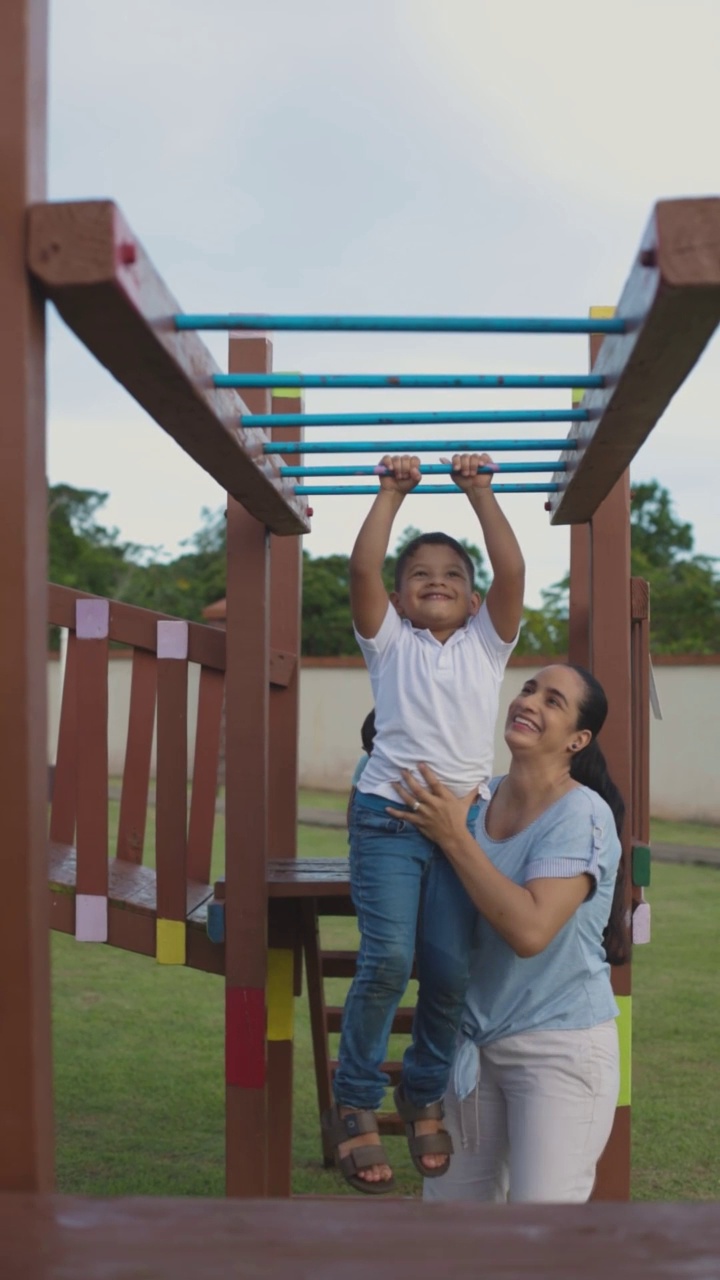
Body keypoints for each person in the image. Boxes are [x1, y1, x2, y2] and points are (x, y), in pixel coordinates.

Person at [323, 452, 525, 1194]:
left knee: (447, 970)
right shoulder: (390, 644)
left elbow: (509, 574)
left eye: (452, 574)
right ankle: (355, 1101)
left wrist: (480, 494)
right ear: (402, 601)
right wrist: (388, 495)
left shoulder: (485, 644)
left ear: (473, 603)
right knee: (386, 961)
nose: (436, 579)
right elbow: (361, 573)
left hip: (462, 827)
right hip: (388, 820)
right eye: (420, 575)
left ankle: (422, 1087)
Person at [388, 662, 628, 1204]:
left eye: (553, 701)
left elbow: (530, 930)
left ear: (578, 740)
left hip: (558, 1048)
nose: (529, 702)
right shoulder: (473, 801)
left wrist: (454, 838)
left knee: (540, 1238)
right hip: (469, 1042)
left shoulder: (580, 814)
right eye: (528, 689)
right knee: (454, 1239)